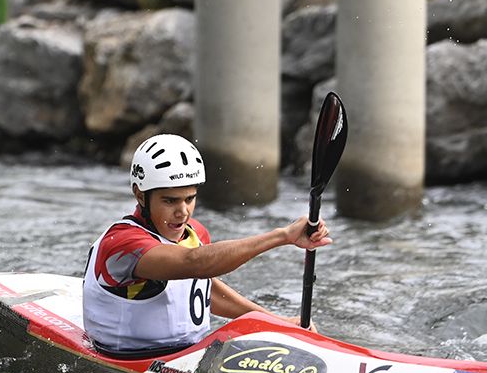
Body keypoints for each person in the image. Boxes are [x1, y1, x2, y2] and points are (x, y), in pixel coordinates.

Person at [82, 134, 332, 354]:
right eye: (170, 201)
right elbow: (196, 264)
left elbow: (204, 289)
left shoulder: (195, 233)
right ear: (140, 194)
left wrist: (276, 322)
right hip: (128, 357)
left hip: (188, 355)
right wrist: (282, 236)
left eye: (190, 198)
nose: (183, 212)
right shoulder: (122, 244)